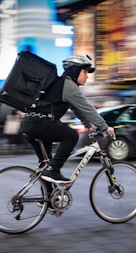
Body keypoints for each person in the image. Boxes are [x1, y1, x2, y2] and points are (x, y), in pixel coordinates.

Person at [20, 55, 115, 185]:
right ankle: (54, 170)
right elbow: (87, 108)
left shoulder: (62, 84)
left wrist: (88, 125)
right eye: (85, 71)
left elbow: (76, 108)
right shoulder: (68, 86)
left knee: (46, 165)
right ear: (75, 71)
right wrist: (104, 127)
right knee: (71, 136)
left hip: (31, 124)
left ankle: (48, 201)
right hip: (40, 124)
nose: (87, 76)